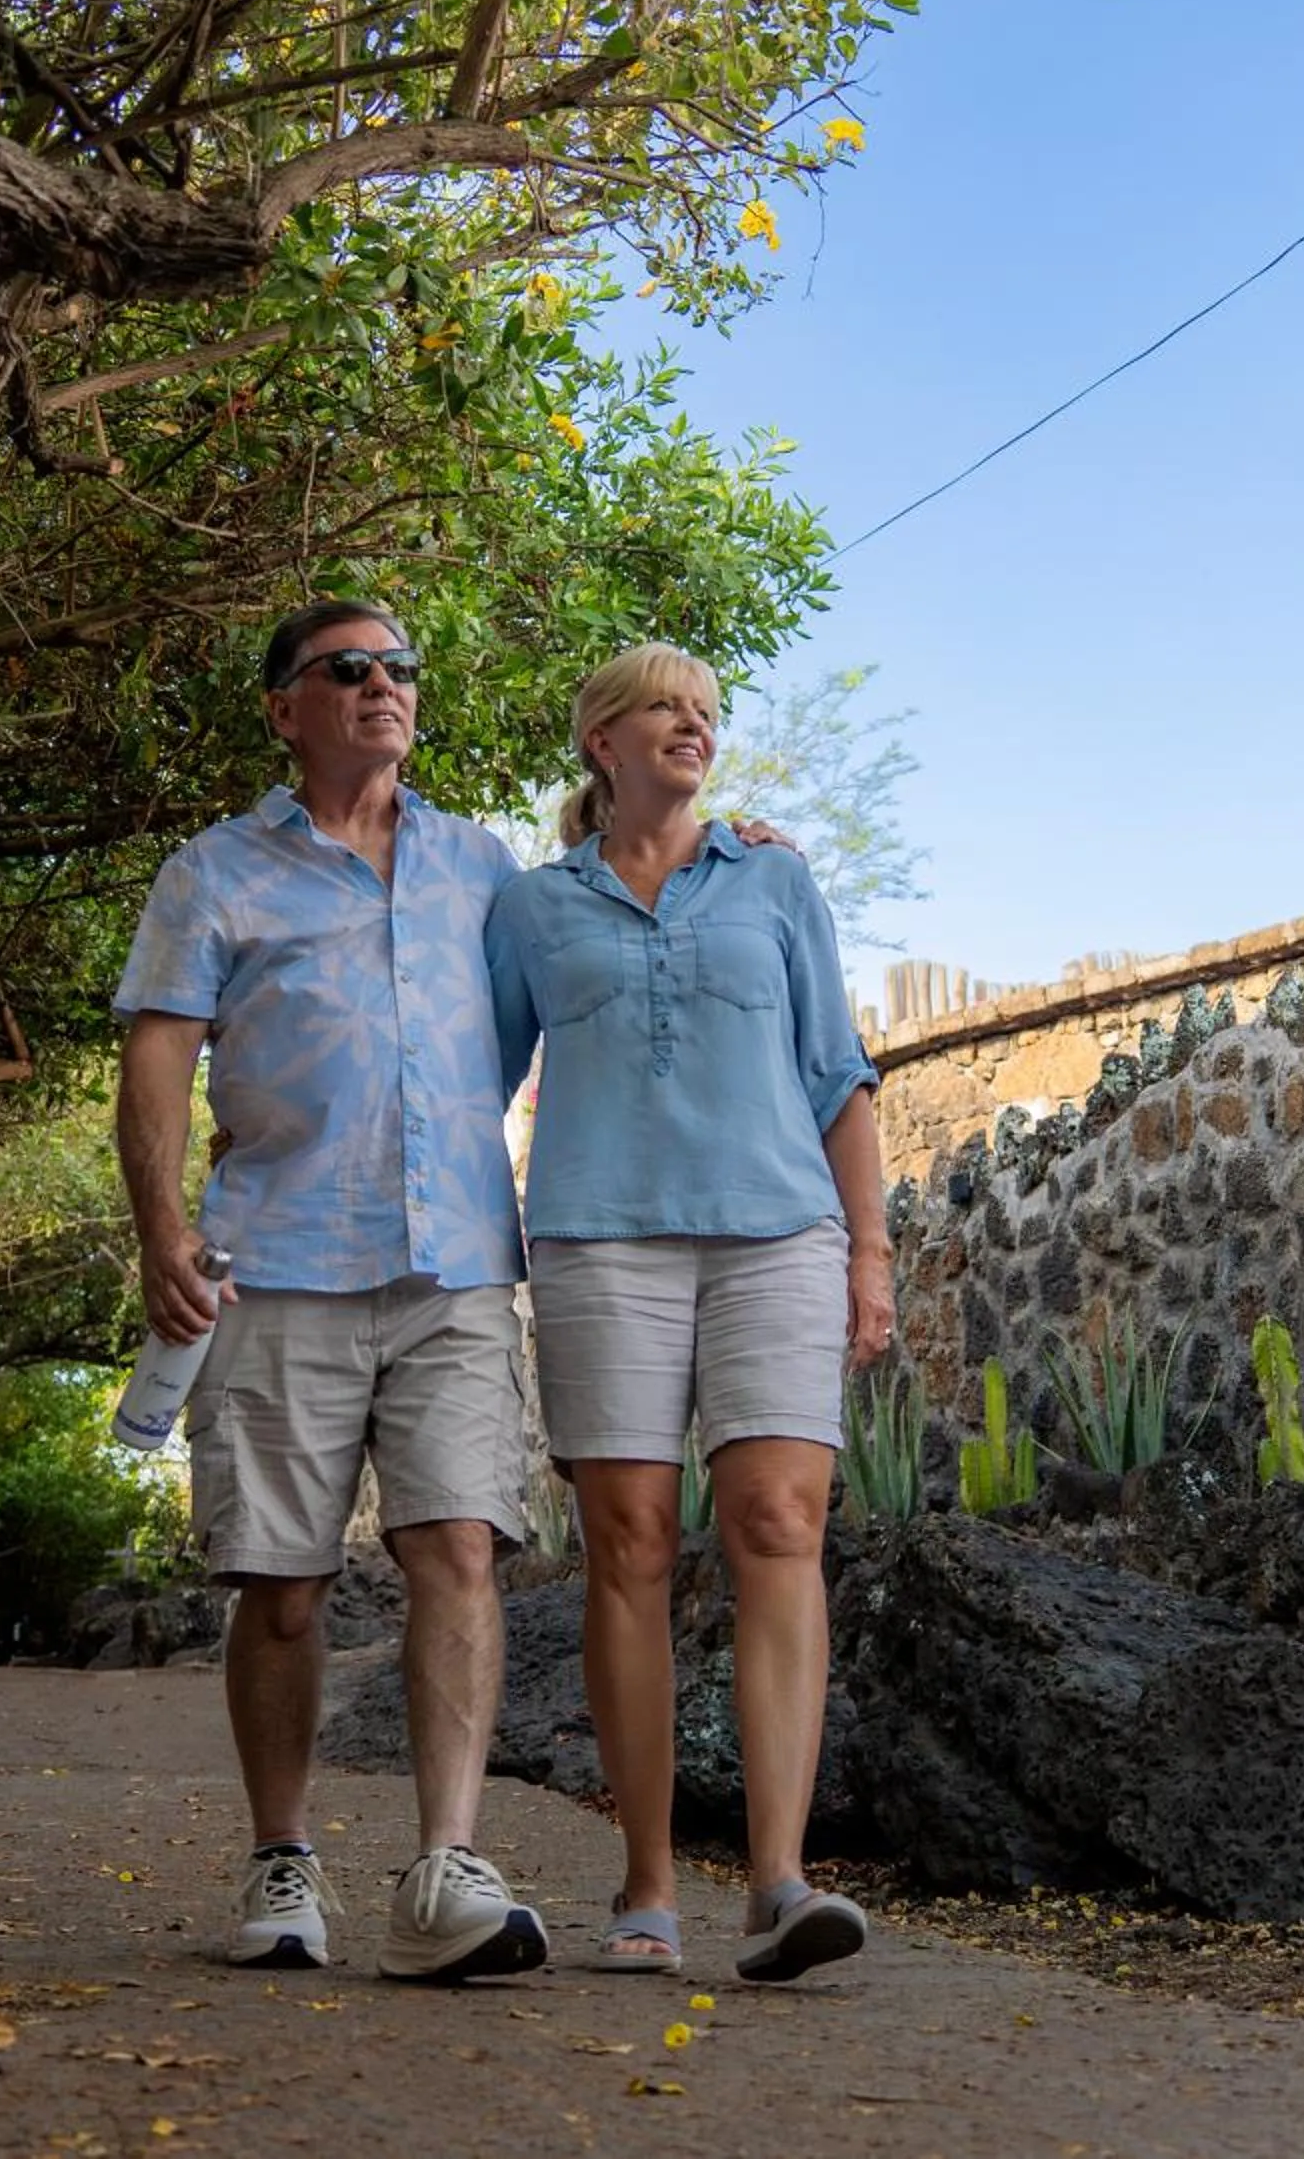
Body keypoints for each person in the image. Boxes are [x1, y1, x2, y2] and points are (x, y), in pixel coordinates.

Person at [114, 599, 551, 1981]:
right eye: (346, 668)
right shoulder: (215, 874)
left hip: (459, 1267)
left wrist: (730, 844)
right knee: (287, 1585)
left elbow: (615, 922)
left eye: (400, 667)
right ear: (283, 706)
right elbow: (158, 1063)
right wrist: (162, 1226)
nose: (381, 686)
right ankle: (283, 1857)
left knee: (458, 1546)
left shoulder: (484, 868)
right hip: (282, 1261)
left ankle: (449, 1865)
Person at [485, 640, 896, 1983]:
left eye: (709, 712)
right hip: (603, 1243)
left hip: (778, 1232)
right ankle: (648, 1883)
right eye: (666, 706)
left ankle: (779, 1880)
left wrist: (872, 1248)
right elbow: (476, 1082)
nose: (694, 726)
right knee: (631, 1544)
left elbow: (838, 1074)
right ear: (600, 740)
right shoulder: (532, 911)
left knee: (780, 1520)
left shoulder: (773, 876)